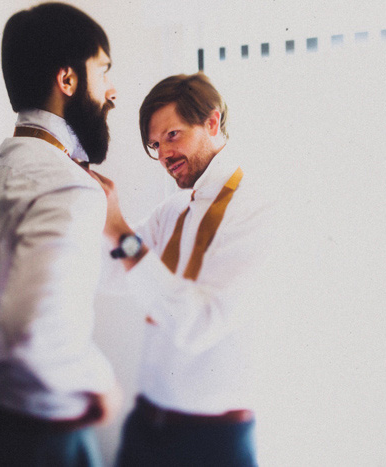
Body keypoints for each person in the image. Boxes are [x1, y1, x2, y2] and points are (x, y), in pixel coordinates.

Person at [0, 3, 120, 465]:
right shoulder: (72, 186)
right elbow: (38, 332)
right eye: (104, 70)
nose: (112, 91)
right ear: (67, 79)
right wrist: (102, 381)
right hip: (42, 441)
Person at [90, 73, 277, 466]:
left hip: (213, 444)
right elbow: (109, 273)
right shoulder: (173, 210)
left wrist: (121, 233)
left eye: (172, 135)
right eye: (155, 145)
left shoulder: (256, 209)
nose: (163, 155)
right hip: (146, 429)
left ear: (212, 122)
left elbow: (200, 325)